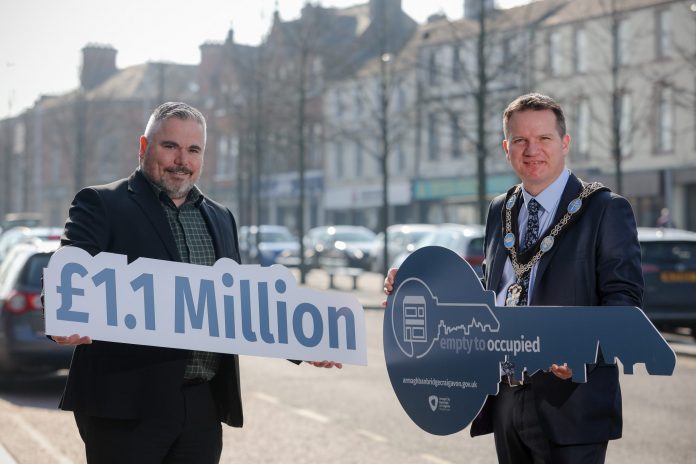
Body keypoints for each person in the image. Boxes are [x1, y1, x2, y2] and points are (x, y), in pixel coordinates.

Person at [49, 102, 340, 464]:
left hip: (200, 404)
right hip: (125, 404)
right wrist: (62, 316)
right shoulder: (101, 203)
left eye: (193, 150)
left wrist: (304, 344)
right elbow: (68, 270)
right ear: (143, 147)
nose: (181, 160)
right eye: (170, 146)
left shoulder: (221, 217)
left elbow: (237, 305)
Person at [384, 93, 643, 463]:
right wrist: (417, 284)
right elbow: (490, 291)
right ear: (507, 148)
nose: (531, 149)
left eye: (544, 139)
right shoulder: (500, 208)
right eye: (520, 140)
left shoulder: (604, 209)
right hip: (506, 397)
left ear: (565, 143)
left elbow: (624, 302)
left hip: (571, 400)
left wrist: (582, 353)